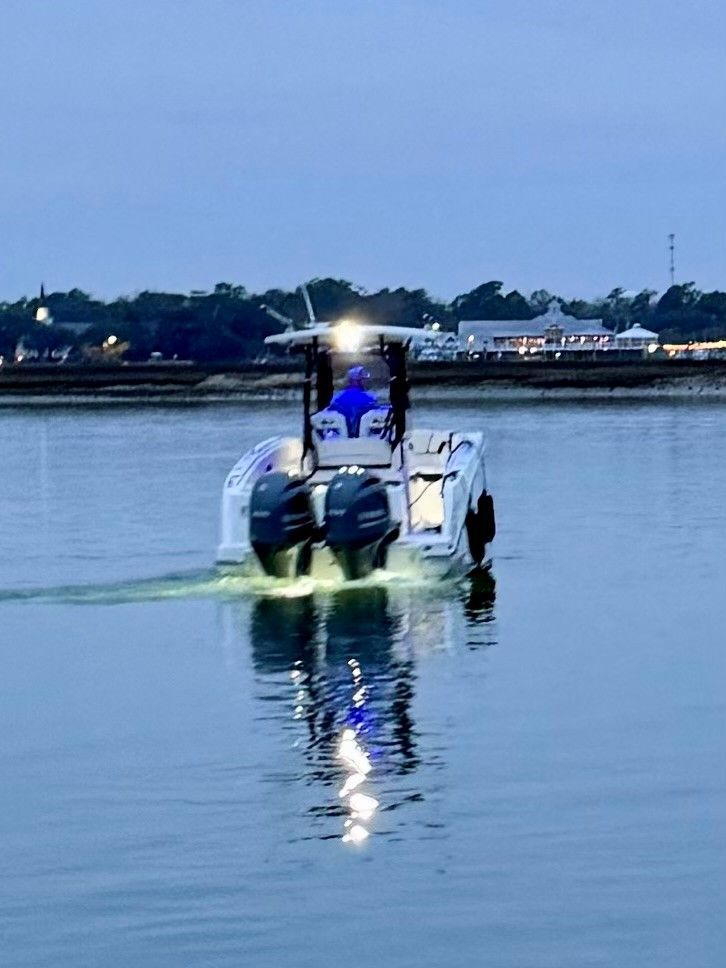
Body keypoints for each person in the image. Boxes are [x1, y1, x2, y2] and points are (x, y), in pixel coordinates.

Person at [329, 365, 378, 436]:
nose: (365, 382)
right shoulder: (370, 398)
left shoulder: (337, 398)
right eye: (362, 379)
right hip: (366, 438)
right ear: (356, 381)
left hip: (339, 438)